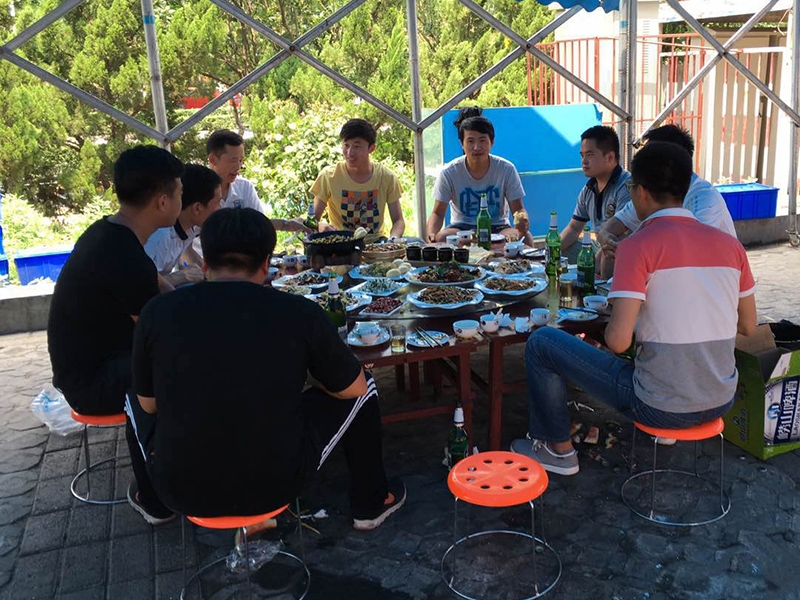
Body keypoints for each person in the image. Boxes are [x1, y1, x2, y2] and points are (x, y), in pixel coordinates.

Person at [127, 207, 406, 529]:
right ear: (266, 265)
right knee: (365, 387)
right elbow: (352, 388)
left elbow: (149, 404)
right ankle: (370, 504)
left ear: (204, 264)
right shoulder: (299, 312)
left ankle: (154, 506)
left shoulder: (157, 312)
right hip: (278, 484)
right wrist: (310, 378)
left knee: (132, 394)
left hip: (178, 490)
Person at [510, 142, 757, 475]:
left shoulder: (638, 246)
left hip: (658, 406)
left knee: (542, 342)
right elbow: (748, 325)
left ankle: (558, 450)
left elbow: (617, 342)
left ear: (640, 192)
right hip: (721, 400)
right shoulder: (731, 246)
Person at [47, 145, 182, 524]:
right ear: (162, 201)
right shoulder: (121, 254)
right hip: (90, 383)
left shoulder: (111, 232)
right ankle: (153, 498)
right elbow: (159, 333)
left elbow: (156, 284)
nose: (182, 200)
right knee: (171, 370)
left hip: (92, 364)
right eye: (180, 193)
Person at [598, 124, 736, 279]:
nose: (644, 161)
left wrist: (632, 250)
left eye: (651, 157)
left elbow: (686, 251)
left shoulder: (704, 198)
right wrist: (608, 240)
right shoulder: (652, 191)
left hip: (706, 278)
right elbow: (611, 227)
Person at [426, 107, 532, 245]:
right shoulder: (449, 172)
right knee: (441, 237)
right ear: (462, 144)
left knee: (527, 238)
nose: (477, 147)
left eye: (482, 140)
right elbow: (438, 213)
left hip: (498, 227)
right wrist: (431, 234)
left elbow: (518, 209)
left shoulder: (506, 169)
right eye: (470, 141)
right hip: (461, 228)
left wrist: (522, 220)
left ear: (491, 142)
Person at [312, 119, 405, 238]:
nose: (350, 152)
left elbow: (398, 221)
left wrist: (393, 239)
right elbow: (312, 220)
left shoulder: (387, 177)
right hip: (341, 244)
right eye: (346, 145)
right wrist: (320, 225)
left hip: (376, 245)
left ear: (371, 148)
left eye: (357, 146)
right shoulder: (328, 176)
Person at [206, 129, 310, 233]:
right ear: (213, 159)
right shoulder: (198, 189)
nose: (238, 166)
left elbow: (259, 224)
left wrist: (285, 224)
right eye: (233, 160)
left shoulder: (244, 187)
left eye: (241, 160)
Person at [558, 125, 631, 264]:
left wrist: (592, 267)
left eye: (590, 155)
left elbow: (617, 238)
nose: (584, 161)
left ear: (610, 157)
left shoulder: (626, 187)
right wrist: (547, 254)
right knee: (560, 251)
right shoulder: (589, 189)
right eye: (582, 155)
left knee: (609, 253)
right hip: (599, 247)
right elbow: (574, 229)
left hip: (620, 251)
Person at [145, 164, 222, 292]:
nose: (220, 209)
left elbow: (187, 249)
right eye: (218, 203)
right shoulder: (159, 236)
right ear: (197, 208)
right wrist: (180, 277)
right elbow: (142, 286)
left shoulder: (190, 225)